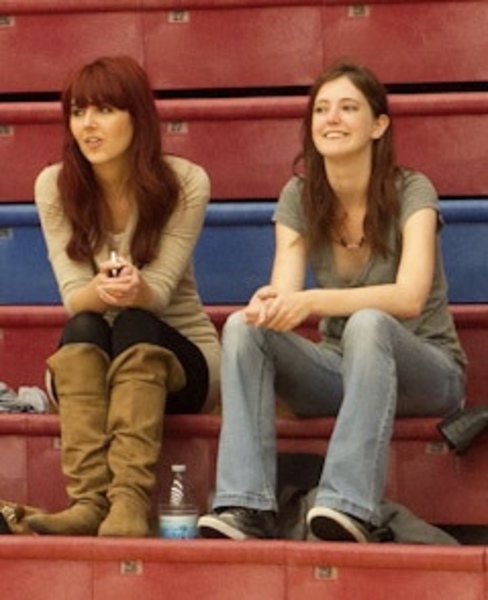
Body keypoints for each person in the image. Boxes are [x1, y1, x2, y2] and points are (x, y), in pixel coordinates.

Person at [198, 60, 467, 543]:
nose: (332, 119)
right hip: (340, 371)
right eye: (321, 109)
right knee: (243, 327)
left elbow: (408, 297)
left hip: (425, 371)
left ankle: (347, 503)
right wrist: (269, 303)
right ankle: (246, 505)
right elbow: (284, 291)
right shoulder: (299, 195)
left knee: (369, 323)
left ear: (378, 125)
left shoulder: (412, 189)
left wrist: (312, 300)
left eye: (348, 108)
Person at [27, 55, 220, 537]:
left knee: (134, 320)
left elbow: (159, 294)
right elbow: (75, 297)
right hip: (96, 357)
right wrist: (100, 289)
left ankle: (130, 501)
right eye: (77, 112)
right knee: (85, 325)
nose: (88, 125)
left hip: (182, 359)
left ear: (138, 117)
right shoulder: (53, 185)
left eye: (104, 110)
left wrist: (135, 287)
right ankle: (89, 501)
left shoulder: (186, 181)